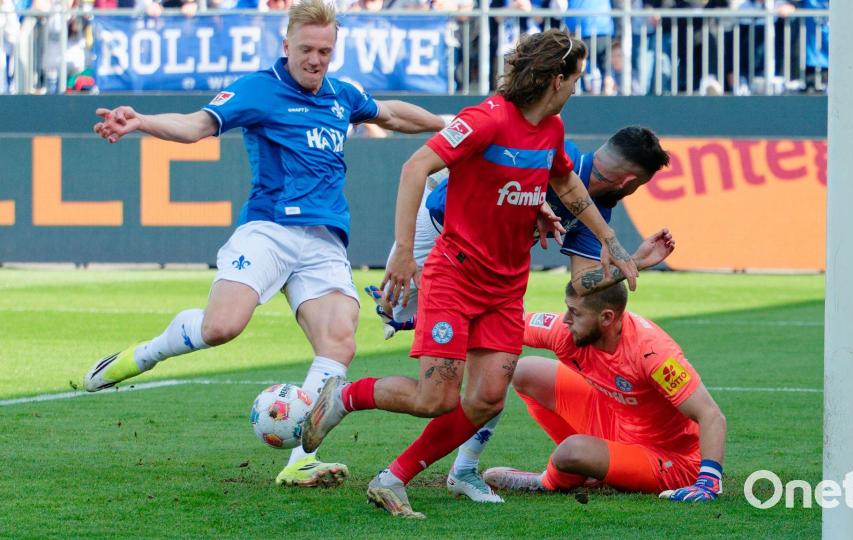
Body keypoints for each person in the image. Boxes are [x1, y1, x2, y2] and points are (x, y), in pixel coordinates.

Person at [83, 0, 445, 489]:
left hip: (324, 240)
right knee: (221, 328)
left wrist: (450, 128)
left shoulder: (343, 93)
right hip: (269, 229)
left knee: (340, 341)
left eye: (325, 50)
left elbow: (392, 114)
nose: (316, 60)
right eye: (306, 50)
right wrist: (141, 121)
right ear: (286, 46)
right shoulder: (259, 89)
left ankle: (300, 458)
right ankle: (143, 355)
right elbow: (196, 126)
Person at [300, 29, 640, 518]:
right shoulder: (486, 119)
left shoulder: (552, 130)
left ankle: (392, 478)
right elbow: (416, 167)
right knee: (435, 397)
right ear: (554, 79)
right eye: (575, 79)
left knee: (486, 398)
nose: (576, 88)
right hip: (455, 276)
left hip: (505, 288)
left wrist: (608, 239)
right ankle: (344, 397)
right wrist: (401, 252)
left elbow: (563, 180)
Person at [364, 126, 674, 503]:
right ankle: (347, 397)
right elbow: (440, 205)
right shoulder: (555, 158)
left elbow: (581, 283)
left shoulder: (597, 205)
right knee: (437, 396)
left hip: (491, 274)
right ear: (631, 180)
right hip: (441, 243)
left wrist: (634, 262)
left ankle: (461, 470)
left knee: (497, 368)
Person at [479, 282, 727, 503]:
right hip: (615, 418)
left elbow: (711, 415)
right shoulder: (567, 330)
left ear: (606, 318)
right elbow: (509, 326)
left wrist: (708, 482)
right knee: (525, 371)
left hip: (666, 457)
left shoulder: (652, 353)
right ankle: (588, 470)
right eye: (568, 308)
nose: (565, 319)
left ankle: (546, 482)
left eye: (575, 313)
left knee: (571, 451)